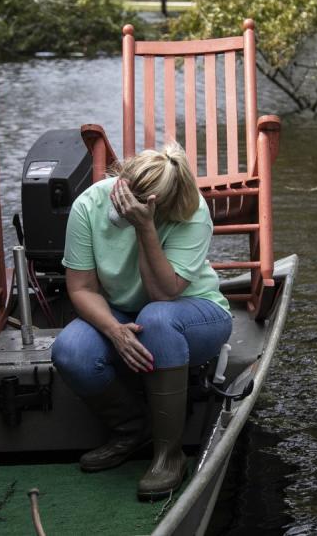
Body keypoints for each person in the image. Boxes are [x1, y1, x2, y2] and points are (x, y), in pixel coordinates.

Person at [51, 142, 232, 501]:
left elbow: (164, 293)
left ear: (158, 205)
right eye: (125, 191)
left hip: (193, 311)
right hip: (123, 311)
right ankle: (133, 429)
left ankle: (169, 455)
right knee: (71, 352)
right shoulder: (89, 204)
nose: (125, 203)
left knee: (158, 318)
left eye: (140, 200)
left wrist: (145, 229)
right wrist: (114, 330)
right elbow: (83, 287)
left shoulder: (190, 211)